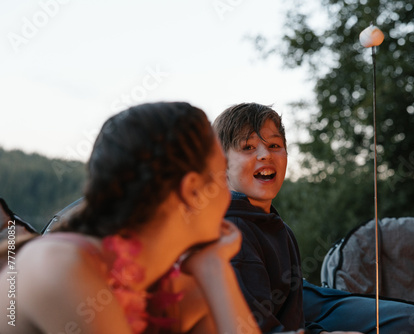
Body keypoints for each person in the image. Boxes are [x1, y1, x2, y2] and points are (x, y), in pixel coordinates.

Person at [0, 102, 261, 334]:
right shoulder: (59, 265)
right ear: (192, 189)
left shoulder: (179, 289)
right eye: (222, 176)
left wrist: (215, 268)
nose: (228, 194)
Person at [212, 102, 414, 334]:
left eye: (274, 145)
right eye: (248, 147)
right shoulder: (234, 233)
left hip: (297, 306)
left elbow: (291, 319)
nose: (265, 154)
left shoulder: (280, 228)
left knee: (412, 318)